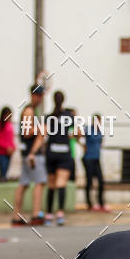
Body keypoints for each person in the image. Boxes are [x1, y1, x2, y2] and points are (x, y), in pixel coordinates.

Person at [12, 84, 47, 226]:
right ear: (33, 95)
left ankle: (16, 216)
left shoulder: (32, 110)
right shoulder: (29, 111)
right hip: (32, 154)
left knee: (24, 184)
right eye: (38, 95)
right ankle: (35, 214)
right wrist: (40, 128)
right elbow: (26, 133)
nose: (40, 98)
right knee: (39, 183)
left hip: (28, 153)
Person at [44, 91, 74, 226]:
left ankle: (49, 214)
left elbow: (43, 134)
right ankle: (60, 214)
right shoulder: (69, 116)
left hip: (51, 152)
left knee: (51, 184)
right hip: (64, 152)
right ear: (64, 101)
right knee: (61, 183)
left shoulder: (48, 117)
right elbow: (77, 132)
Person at [79, 113, 108, 212]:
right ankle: (89, 204)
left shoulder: (100, 131)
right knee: (89, 182)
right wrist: (82, 145)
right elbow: (76, 134)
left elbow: (100, 142)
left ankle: (101, 204)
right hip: (88, 159)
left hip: (96, 159)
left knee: (101, 182)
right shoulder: (88, 129)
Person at [0, 106, 15, 181]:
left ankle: (2, 180)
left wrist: (13, 148)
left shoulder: (10, 125)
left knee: (5, 171)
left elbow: (11, 138)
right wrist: (6, 147)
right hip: (1, 152)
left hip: (9, 153)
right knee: (3, 169)